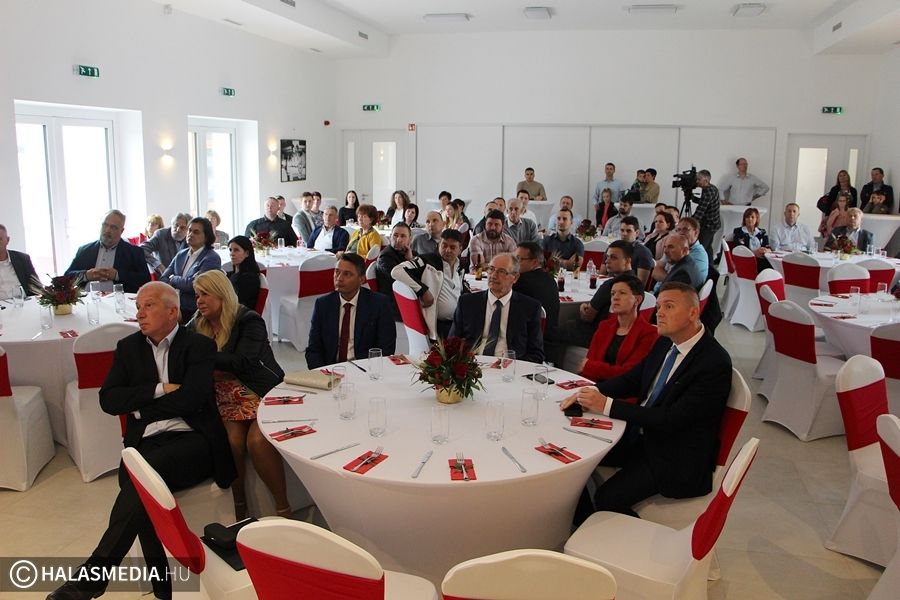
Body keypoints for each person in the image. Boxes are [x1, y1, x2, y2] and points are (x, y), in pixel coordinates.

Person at [46, 282, 235, 600]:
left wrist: (140, 409)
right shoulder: (128, 348)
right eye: (138, 307)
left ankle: (93, 579)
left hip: (194, 441)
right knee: (143, 484)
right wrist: (159, 389)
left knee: (144, 477)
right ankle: (163, 589)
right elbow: (109, 400)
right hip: (145, 444)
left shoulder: (198, 346)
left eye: (149, 306)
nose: (140, 313)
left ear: (172, 312)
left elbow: (193, 399)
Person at [561, 282, 731, 520]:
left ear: (693, 313)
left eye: (669, 306)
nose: (659, 313)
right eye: (659, 306)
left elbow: (671, 420)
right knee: (574, 461)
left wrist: (607, 405)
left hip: (674, 454)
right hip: (641, 436)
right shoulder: (665, 342)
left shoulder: (713, 363)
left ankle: (617, 536)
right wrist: (590, 391)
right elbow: (632, 379)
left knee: (608, 497)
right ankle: (582, 524)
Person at [189, 271, 288, 520]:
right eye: (197, 295)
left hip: (259, 392)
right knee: (230, 444)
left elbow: (242, 362)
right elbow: (183, 349)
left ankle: (283, 508)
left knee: (257, 443)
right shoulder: (198, 323)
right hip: (225, 398)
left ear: (221, 294)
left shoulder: (248, 320)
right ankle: (240, 509)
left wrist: (202, 354)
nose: (200, 301)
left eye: (205, 294)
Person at [305, 253, 396, 369]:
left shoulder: (379, 304)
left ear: (361, 279)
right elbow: (313, 349)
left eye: (347, 274)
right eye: (337, 272)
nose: (339, 278)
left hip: (364, 369)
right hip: (330, 370)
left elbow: (386, 349)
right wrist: (321, 373)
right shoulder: (323, 304)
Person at [450, 253, 544, 363]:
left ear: (515, 277)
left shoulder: (530, 307)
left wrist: (512, 365)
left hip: (510, 367)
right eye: (491, 269)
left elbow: (536, 354)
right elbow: (452, 343)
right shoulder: (467, 303)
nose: (493, 276)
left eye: (501, 271)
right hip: (473, 365)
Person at [578, 274, 659, 383]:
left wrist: (591, 367)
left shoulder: (649, 333)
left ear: (637, 300)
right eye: (613, 294)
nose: (615, 297)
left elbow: (629, 374)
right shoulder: (604, 326)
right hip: (593, 386)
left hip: (623, 390)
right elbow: (588, 367)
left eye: (622, 293)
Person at [392, 229, 468, 340]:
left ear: (460, 249)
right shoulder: (427, 261)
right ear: (439, 245)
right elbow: (396, 271)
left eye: (452, 247)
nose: (447, 250)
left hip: (458, 322)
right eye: (444, 245)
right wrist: (423, 291)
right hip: (440, 326)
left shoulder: (460, 266)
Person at [563, 241, 635, 349]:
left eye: (613, 257)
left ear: (628, 261)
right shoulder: (637, 283)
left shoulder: (611, 286)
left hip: (598, 336)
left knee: (556, 329)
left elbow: (587, 317)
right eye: (607, 257)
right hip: (624, 338)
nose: (607, 261)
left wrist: (582, 307)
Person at [66, 210, 151, 294]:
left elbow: (145, 280)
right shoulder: (85, 250)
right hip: (88, 299)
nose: (107, 230)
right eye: (105, 225)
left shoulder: (134, 252)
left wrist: (117, 275)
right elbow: (67, 276)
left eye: (113, 227)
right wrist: (86, 275)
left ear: (121, 231)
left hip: (119, 300)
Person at [161, 217, 222, 320]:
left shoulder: (211, 258)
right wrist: (178, 281)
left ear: (206, 237)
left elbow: (194, 285)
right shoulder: (181, 254)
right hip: (173, 304)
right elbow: (163, 279)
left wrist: (173, 279)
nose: (190, 234)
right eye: (189, 230)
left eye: (196, 232)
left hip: (194, 310)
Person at [513, 242, 560, 360]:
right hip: (550, 343)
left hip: (528, 347)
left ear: (534, 262)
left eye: (518, 259)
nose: (514, 263)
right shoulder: (551, 280)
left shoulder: (520, 281)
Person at [375, 222, 414, 319]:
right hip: (394, 304)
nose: (398, 239)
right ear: (390, 237)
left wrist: (410, 259)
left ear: (409, 239)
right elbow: (405, 281)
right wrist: (410, 261)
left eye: (403, 236)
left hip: (406, 297)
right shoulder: (386, 256)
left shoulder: (409, 253)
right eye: (395, 235)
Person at [604, 216, 652, 284]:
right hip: (608, 283)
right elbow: (602, 273)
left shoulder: (643, 252)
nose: (624, 234)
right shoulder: (612, 248)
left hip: (629, 287)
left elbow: (640, 283)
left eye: (629, 231)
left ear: (637, 233)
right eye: (622, 230)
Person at [0, 223, 38, 298]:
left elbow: (37, 287)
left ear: (7, 240)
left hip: (22, 302)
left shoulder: (22, 259)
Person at [689, 169, 721, 258]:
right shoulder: (712, 188)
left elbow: (700, 211)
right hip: (713, 223)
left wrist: (689, 223)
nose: (697, 181)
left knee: (701, 248)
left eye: (699, 179)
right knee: (708, 248)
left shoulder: (708, 192)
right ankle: (710, 266)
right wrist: (694, 198)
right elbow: (706, 203)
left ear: (706, 180)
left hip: (709, 225)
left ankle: (700, 264)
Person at [225, 235, 261, 310]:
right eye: (230, 250)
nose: (232, 253)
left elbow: (240, 305)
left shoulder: (249, 278)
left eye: (236, 250)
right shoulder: (230, 274)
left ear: (247, 253)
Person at [731, 207, 771, 272]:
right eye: (747, 217)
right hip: (746, 259)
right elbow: (739, 248)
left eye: (752, 217)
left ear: (756, 219)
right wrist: (754, 253)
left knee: (770, 264)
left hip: (762, 258)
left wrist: (766, 250)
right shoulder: (738, 231)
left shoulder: (762, 232)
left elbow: (767, 246)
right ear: (744, 219)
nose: (750, 219)